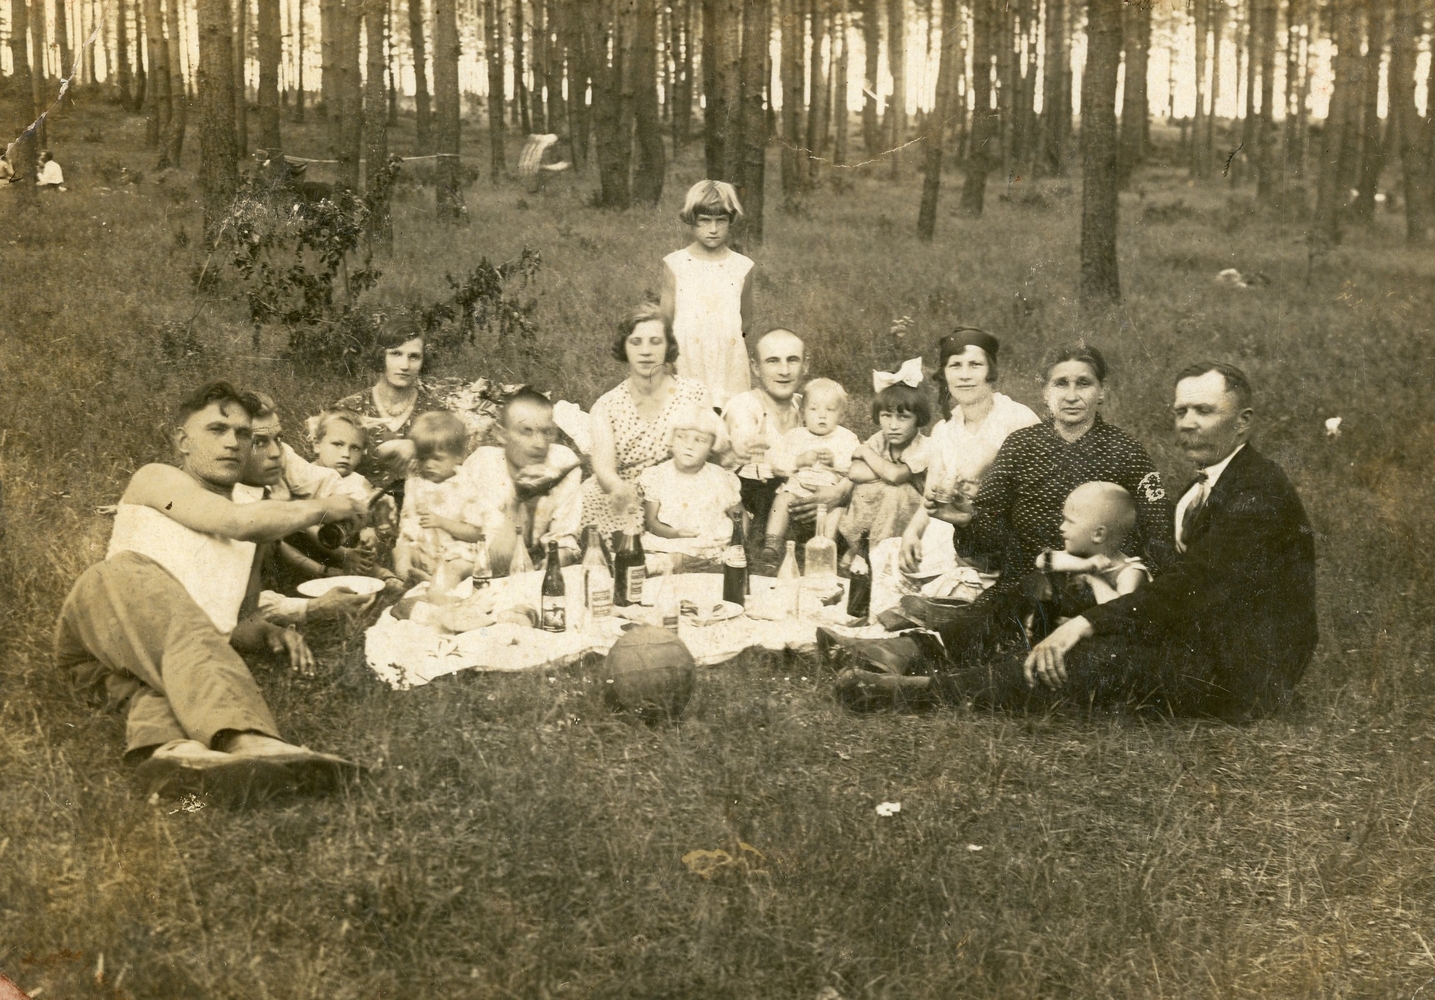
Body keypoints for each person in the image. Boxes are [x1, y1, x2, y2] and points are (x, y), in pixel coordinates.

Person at [841, 361, 1318, 720]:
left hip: (1243, 669)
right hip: (1185, 627)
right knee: (1026, 593)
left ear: (1243, 421)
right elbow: (996, 537)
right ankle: (907, 654)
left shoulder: (1257, 492)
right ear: (1045, 393)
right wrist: (969, 521)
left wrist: (1093, 612)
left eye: (1205, 411)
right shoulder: (1203, 483)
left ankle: (919, 693)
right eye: (1181, 411)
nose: (1189, 422)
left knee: (1085, 656)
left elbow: (1184, 581)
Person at [52, 381, 368, 799]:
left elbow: (232, 626)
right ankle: (250, 741)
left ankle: (179, 759)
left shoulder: (253, 527)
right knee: (157, 595)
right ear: (182, 441)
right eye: (217, 430)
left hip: (126, 671)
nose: (233, 443)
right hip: (102, 621)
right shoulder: (158, 480)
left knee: (170, 672)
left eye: (241, 434)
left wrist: (268, 631)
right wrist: (326, 507)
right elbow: (232, 521)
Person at [823, 344, 1174, 696]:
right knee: (992, 611)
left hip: (1097, 593)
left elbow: (1158, 535)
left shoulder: (1127, 453)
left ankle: (908, 678)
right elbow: (989, 543)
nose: (1070, 396)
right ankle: (890, 653)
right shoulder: (1021, 446)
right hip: (1025, 583)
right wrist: (966, 521)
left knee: (1009, 629)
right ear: (1045, 392)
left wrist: (1123, 590)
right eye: (1060, 384)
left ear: (1102, 392)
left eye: (1083, 384)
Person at [875, 330, 1040, 613]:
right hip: (947, 529)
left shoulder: (1016, 417)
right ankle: (898, 629)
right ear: (945, 375)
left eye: (975, 365)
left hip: (996, 537)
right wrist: (912, 533)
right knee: (887, 556)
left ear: (991, 372)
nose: (965, 375)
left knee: (943, 588)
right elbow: (931, 497)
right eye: (955, 366)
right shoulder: (944, 431)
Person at [581, 301, 713, 538]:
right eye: (635, 342)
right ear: (624, 347)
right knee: (598, 503)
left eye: (655, 341)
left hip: (677, 488)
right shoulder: (606, 406)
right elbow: (603, 468)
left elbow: (709, 446)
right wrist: (620, 489)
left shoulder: (693, 393)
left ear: (668, 346)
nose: (645, 351)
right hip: (624, 493)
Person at [723, 328, 851, 541]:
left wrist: (839, 491)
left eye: (792, 360)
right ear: (756, 368)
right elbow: (756, 465)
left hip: (802, 493)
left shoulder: (810, 406)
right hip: (758, 497)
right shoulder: (745, 406)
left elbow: (846, 449)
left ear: (806, 365)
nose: (784, 370)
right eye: (772, 361)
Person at [455, 387, 584, 576]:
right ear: (501, 434)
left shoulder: (562, 462)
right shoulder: (482, 466)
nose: (539, 444)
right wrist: (515, 503)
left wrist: (555, 560)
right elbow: (497, 563)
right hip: (480, 563)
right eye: (526, 432)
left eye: (546, 432)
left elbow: (565, 540)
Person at [659, 180, 755, 408]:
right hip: (688, 356)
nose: (713, 229)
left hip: (728, 358)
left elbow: (746, 320)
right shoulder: (676, 263)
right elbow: (665, 319)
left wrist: (721, 338)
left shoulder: (742, 266)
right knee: (687, 416)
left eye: (720, 220)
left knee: (731, 416)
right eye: (705, 220)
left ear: (731, 220)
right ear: (692, 220)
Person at [759, 378, 861, 561]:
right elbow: (775, 463)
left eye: (830, 410)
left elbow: (855, 467)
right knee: (782, 500)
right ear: (803, 413)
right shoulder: (794, 436)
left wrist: (835, 460)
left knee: (837, 513)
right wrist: (798, 461)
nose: (822, 415)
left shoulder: (846, 438)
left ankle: (823, 549)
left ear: (841, 415)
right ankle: (772, 542)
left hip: (830, 494)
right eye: (814, 409)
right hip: (797, 490)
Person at [332, 317, 442, 486]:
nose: (405, 365)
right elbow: (326, 472)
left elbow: (452, 472)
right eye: (396, 354)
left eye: (414, 357)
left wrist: (420, 450)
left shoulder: (436, 413)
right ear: (380, 356)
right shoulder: (348, 409)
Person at [639, 405, 744, 571]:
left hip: (706, 543)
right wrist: (674, 533)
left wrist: (738, 545)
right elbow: (651, 521)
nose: (689, 446)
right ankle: (657, 562)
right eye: (681, 437)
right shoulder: (657, 475)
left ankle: (660, 565)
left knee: (695, 554)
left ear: (712, 447)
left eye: (700, 440)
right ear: (671, 440)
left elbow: (740, 515)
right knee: (653, 550)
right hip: (669, 539)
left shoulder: (719, 477)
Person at [837, 374, 934, 551]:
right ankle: (860, 546)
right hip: (883, 507)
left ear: (918, 418)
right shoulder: (880, 439)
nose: (893, 425)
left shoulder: (924, 446)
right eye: (886, 416)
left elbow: (896, 476)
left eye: (903, 417)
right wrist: (886, 472)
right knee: (866, 488)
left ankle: (880, 550)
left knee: (898, 491)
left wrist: (866, 453)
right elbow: (855, 472)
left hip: (917, 512)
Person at [393, 411, 481, 584]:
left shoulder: (466, 485)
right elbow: (388, 453)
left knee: (458, 565)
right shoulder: (416, 479)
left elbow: (476, 533)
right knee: (400, 552)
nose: (429, 465)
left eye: (437, 459)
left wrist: (441, 522)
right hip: (421, 548)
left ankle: (438, 583)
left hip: (455, 552)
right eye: (423, 458)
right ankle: (404, 578)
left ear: (458, 456)